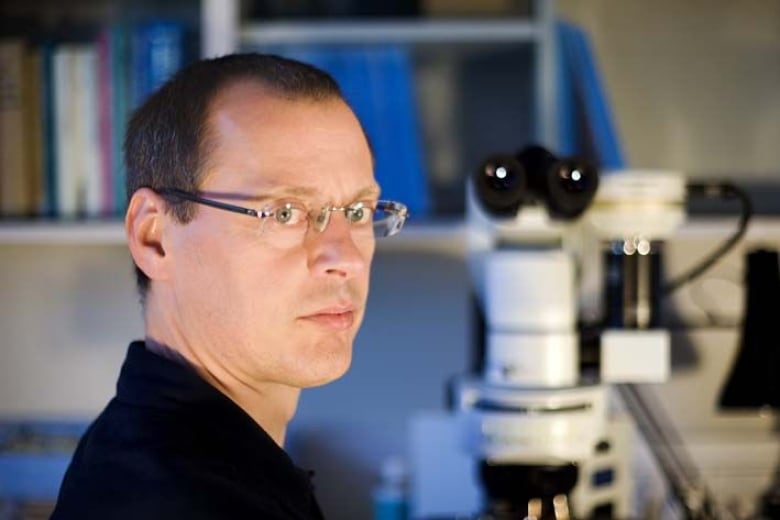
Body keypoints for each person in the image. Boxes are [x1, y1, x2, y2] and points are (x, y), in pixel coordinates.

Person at [51, 53, 408, 519]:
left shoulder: (208, 461)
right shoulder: (175, 501)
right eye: (284, 213)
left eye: (358, 212)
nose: (343, 257)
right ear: (154, 237)